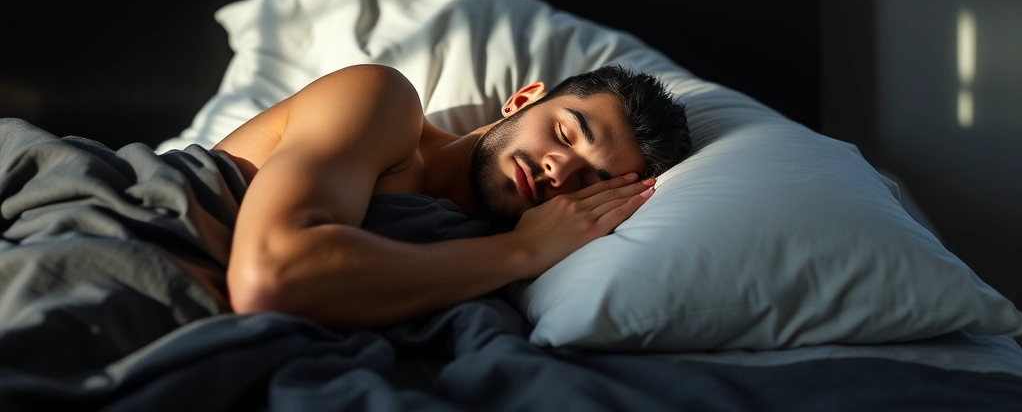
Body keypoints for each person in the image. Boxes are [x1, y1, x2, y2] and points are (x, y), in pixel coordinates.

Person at [218, 63, 691, 328]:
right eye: (566, 134)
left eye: (588, 183)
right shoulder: (382, 102)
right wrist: (520, 250)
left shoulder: (487, 272)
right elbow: (272, 278)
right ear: (522, 101)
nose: (559, 170)